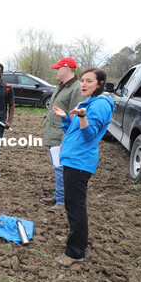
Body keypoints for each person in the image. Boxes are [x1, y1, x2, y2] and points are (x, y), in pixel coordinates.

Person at [52, 67, 114, 266]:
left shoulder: (100, 105)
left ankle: (76, 251)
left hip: (81, 162)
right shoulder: (87, 103)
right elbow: (73, 130)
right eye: (83, 80)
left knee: (76, 205)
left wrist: (81, 116)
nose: (83, 84)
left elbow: (90, 135)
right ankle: (74, 237)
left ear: (100, 84)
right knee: (72, 204)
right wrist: (65, 117)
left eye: (89, 81)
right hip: (72, 158)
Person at [41, 57, 84, 213]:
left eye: (58, 69)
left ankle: (61, 201)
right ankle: (58, 195)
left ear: (67, 69)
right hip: (54, 133)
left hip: (61, 136)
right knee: (57, 167)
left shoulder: (76, 89)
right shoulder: (63, 86)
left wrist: (64, 139)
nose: (56, 71)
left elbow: (75, 117)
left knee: (60, 168)